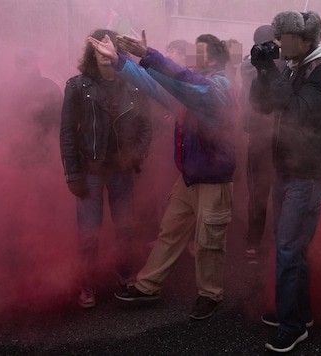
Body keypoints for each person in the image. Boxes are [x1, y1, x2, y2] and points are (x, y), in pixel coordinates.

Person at [88, 30, 236, 320]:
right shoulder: (188, 86)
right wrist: (120, 62)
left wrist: (150, 55)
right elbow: (154, 85)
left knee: (209, 241)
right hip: (190, 176)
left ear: (215, 58)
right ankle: (148, 285)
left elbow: (192, 87)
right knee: (170, 231)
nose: (193, 56)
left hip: (213, 178)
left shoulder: (219, 86)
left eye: (200, 51)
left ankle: (211, 295)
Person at [249, 10, 321, 352]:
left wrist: (273, 72)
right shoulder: (293, 66)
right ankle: (298, 313)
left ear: (305, 41)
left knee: (289, 246)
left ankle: (292, 325)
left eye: (283, 36)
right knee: (291, 245)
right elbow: (261, 106)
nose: (277, 41)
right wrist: (262, 71)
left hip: (309, 171)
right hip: (287, 166)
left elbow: (297, 111)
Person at [60, 29, 153, 309]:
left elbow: (146, 127)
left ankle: (126, 275)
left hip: (121, 171)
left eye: (108, 48)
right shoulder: (77, 86)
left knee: (125, 229)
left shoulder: (134, 86)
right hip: (90, 171)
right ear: (91, 52)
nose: (103, 54)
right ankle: (86, 284)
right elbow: (67, 133)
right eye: (98, 49)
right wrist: (73, 174)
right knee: (89, 232)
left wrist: (136, 156)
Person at [239, 24, 279, 260]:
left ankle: (256, 239)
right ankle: (257, 239)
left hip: (270, 135)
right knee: (261, 190)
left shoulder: (250, 63)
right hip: (264, 133)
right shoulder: (253, 64)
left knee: (261, 190)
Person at [0, 48, 62, 165]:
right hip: (17, 157)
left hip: (46, 156)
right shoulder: (3, 91)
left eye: (29, 62)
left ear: (36, 63)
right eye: (23, 62)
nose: (26, 66)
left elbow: (61, 122)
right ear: (16, 65)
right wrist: (14, 141)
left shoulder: (50, 87)